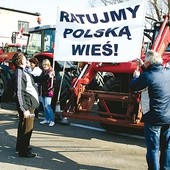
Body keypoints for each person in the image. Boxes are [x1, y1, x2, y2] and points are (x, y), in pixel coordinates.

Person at [129, 50, 170, 170]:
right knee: (167, 147)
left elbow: (133, 86)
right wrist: (143, 65)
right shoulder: (167, 72)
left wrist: (136, 75)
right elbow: (154, 75)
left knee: (153, 149)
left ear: (148, 63)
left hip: (154, 118)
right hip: (168, 116)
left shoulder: (147, 76)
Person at [12, 52, 39, 158]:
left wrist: (47, 76)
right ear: (21, 61)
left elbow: (33, 81)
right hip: (27, 106)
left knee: (23, 126)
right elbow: (20, 92)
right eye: (24, 58)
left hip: (28, 105)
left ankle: (20, 146)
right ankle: (24, 151)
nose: (26, 59)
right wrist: (24, 109)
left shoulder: (23, 71)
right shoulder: (19, 73)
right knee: (27, 128)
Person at [39, 59, 55, 127]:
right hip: (43, 91)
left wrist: (50, 88)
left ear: (48, 65)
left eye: (46, 65)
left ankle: (52, 120)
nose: (44, 66)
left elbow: (53, 82)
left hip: (48, 91)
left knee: (47, 106)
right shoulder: (43, 72)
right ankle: (47, 119)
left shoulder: (51, 72)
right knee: (44, 106)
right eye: (43, 65)